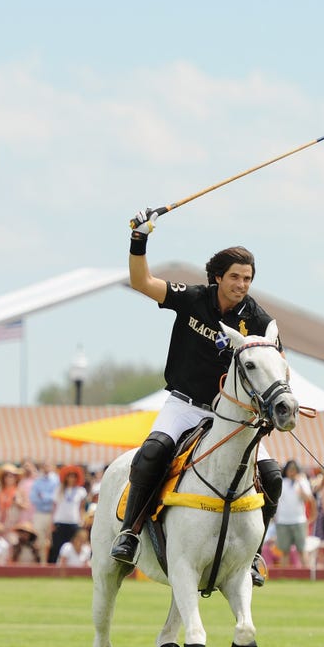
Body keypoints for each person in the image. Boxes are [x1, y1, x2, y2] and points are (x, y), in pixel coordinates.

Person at [109, 221, 285, 587]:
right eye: (235, 277)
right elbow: (142, 282)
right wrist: (138, 240)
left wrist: (271, 407)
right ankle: (129, 532)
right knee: (153, 453)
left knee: (271, 476)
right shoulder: (192, 299)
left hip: (231, 417)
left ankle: (253, 554)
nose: (242, 285)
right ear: (218, 277)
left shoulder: (257, 319)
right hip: (185, 405)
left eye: (248, 279)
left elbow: (274, 366)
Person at [273, 461, 313, 568]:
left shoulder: (302, 482)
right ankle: (283, 575)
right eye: (290, 469)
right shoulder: (282, 482)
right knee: (284, 550)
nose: (292, 472)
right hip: (283, 520)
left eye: (294, 470)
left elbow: (308, 499)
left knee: (302, 549)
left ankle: (306, 574)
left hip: (299, 520)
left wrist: (300, 484)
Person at [49, 466, 87, 564]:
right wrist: (52, 522)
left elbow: (81, 508)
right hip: (60, 521)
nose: (72, 478)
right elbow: (54, 507)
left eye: (74, 476)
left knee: (75, 545)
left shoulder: (81, 491)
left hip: (74, 522)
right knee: (57, 546)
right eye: (69, 476)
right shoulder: (59, 490)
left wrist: (82, 520)